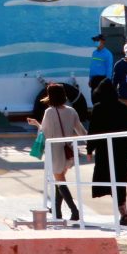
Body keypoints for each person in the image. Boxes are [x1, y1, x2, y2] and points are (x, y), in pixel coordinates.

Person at [87, 78, 127, 226]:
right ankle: (123, 211)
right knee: (120, 180)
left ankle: (123, 211)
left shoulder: (98, 108)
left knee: (108, 178)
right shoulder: (123, 107)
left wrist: (89, 149)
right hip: (122, 149)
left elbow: (93, 130)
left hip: (105, 150)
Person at [27, 83, 86, 221]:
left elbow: (45, 133)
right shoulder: (72, 111)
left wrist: (36, 124)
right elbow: (81, 131)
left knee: (60, 181)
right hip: (69, 150)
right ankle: (56, 210)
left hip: (55, 151)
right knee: (60, 179)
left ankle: (74, 211)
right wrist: (92, 144)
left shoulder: (49, 112)